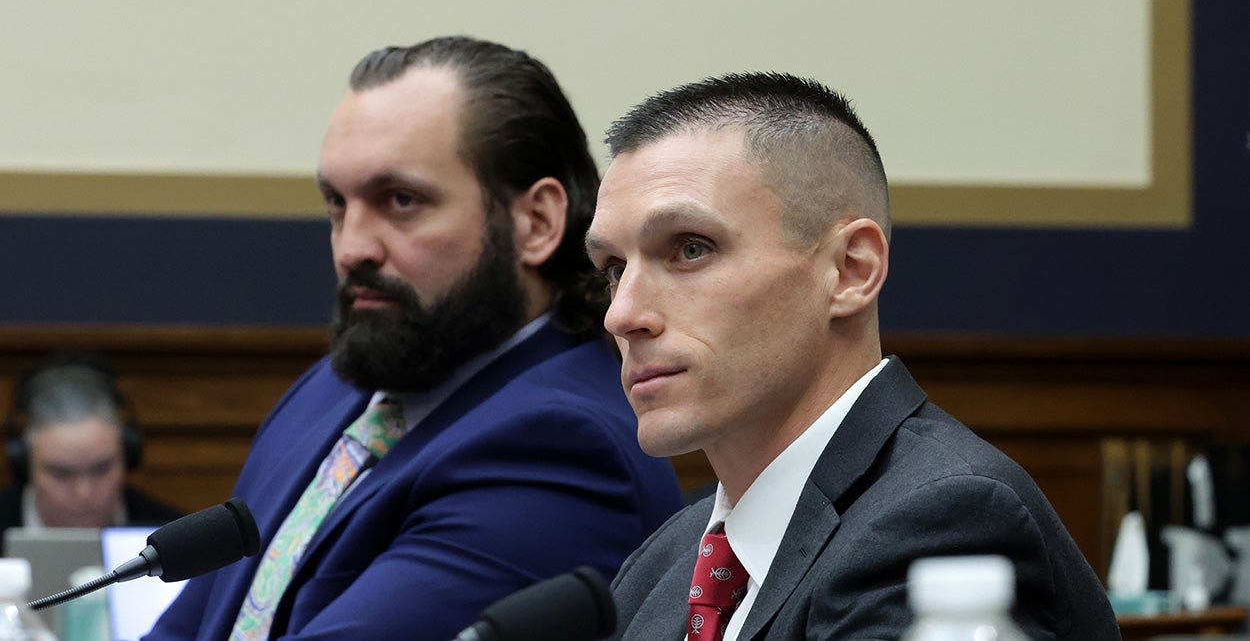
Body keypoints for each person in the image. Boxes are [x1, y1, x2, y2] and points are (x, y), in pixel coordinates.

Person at [146, 36, 681, 640]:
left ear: (536, 223)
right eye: (337, 203)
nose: (352, 248)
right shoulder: (336, 388)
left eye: (401, 201)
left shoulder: (563, 449)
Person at [587, 73, 1119, 640]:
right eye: (614, 269)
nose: (621, 314)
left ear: (849, 271)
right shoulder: (661, 567)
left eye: (691, 249)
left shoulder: (945, 520)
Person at [0, 352, 183, 551]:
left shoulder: (174, 539)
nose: (84, 493)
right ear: (25, 465)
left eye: (101, 469)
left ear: (127, 456)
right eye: (61, 474)